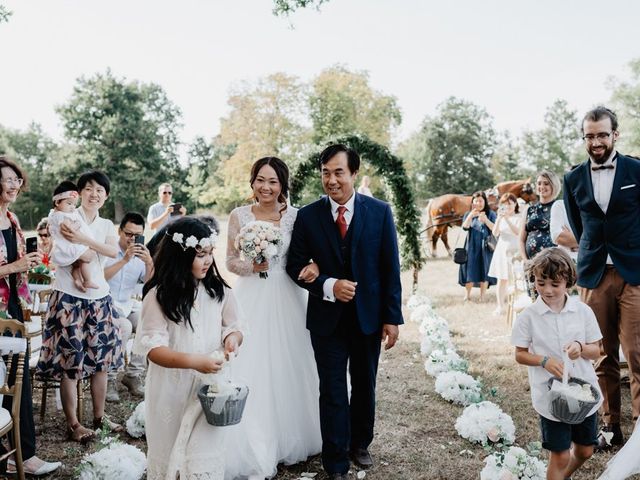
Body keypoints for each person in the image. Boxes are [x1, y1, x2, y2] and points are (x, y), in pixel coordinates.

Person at [287, 144, 404, 480]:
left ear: (354, 173)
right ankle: (335, 461)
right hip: (326, 321)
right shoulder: (307, 216)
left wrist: (392, 317)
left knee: (365, 384)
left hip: (368, 317)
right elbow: (295, 265)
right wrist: (328, 285)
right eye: (326, 173)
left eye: (339, 172)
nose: (332, 180)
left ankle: (360, 443)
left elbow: (389, 269)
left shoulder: (380, 212)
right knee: (333, 389)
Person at [224, 156, 322, 479]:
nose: (265, 187)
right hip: (251, 293)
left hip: (288, 294)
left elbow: (311, 255)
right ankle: (253, 435)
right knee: (250, 362)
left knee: (290, 361)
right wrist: (254, 266)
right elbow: (229, 261)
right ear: (252, 182)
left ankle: (293, 432)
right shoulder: (238, 215)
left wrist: (314, 267)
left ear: (283, 185)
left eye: (273, 182)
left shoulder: (296, 217)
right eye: (260, 180)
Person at [132, 217, 243, 480]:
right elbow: (153, 349)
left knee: (202, 452)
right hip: (172, 387)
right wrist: (195, 361)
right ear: (181, 255)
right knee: (172, 451)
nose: (207, 261)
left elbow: (235, 325)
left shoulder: (218, 291)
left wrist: (232, 339)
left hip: (211, 387)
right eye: (199, 255)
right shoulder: (158, 296)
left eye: (209, 254)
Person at [564, 106, 640, 450]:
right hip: (594, 275)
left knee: (637, 353)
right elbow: (580, 227)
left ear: (615, 135)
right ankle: (610, 425)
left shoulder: (637, 170)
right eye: (590, 135)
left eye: (602, 135)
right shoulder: (573, 178)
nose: (596, 141)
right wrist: (592, 253)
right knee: (602, 354)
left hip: (634, 274)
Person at [37, 170, 124, 443]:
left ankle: (100, 417)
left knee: (101, 363)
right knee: (70, 364)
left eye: (100, 190)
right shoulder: (64, 216)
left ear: (106, 196)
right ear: (78, 193)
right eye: (88, 189)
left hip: (99, 299)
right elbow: (55, 253)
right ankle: (73, 424)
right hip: (68, 298)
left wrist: (83, 240)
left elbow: (112, 252)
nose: (94, 194)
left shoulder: (107, 224)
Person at [512, 247, 603, 480]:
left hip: (583, 394)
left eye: (555, 284)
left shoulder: (582, 311)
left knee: (585, 450)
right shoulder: (528, 316)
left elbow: (597, 350)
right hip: (551, 397)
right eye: (541, 283)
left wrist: (581, 349)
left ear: (569, 282)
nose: (547, 290)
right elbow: (520, 354)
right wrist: (543, 360)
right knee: (560, 455)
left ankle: (562, 476)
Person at [0, 155, 61, 476]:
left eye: (17, 180)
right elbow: (11, 268)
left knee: (18, 382)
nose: (14, 185)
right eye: (7, 180)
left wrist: (30, 273)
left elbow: (19, 273)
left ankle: (22, 453)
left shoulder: (12, 221)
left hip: (13, 312)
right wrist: (14, 267)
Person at [104, 212, 154, 402]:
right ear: (120, 231)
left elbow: (149, 283)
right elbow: (101, 277)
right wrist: (124, 259)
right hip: (105, 304)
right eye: (128, 234)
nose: (132, 239)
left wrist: (149, 262)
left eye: (137, 235)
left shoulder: (142, 254)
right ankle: (110, 378)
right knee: (123, 327)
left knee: (147, 321)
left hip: (126, 304)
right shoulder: (108, 249)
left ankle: (132, 374)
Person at [47, 181, 99, 292]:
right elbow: (68, 229)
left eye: (74, 204)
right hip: (68, 247)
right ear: (57, 202)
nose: (72, 208)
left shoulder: (53, 214)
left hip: (65, 246)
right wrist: (77, 224)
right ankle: (87, 280)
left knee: (76, 265)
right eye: (69, 203)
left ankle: (77, 280)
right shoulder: (61, 215)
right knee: (85, 260)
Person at [488, 193, 523, 315]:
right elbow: (495, 233)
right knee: (501, 279)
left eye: (510, 203)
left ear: (515, 204)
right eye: (505, 204)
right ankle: (500, 306)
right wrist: (499, 219)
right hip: (502, 250)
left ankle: (516, 304)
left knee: (516, 278)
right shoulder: (500, 217)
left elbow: (517, 232)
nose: (507, 206)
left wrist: (507, 218)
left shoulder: (519, 216)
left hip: (515, 251)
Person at [458, 191, 497, 302]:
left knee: (484, 270)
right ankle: (467, 295)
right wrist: (471, 216)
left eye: (481, 201)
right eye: (476, 201)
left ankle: (482, 296)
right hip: (470, 246)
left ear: (485, 202)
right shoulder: (469, 214)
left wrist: (485, 220)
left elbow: (495, 229)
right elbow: (464, 227)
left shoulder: (491, 214)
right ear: (472, 203)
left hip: (485, 247)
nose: (479, 203)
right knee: (469, 269)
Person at [519, 170, 560, 260]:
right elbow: (521, 240)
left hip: (555, 263)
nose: (542, 186)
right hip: (532, 263)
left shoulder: (560, 207)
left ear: (554, 185)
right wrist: (525, 261)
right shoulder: (529, 210)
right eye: (539, 183)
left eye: (546, 183)